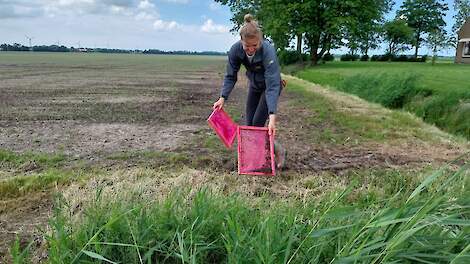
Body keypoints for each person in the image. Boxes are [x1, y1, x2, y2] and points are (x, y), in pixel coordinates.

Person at [212, 13, 286, 169]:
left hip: (270, 86)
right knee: (249, 126)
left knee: (258, 125)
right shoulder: (235, 50)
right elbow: (230, 76)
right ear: (241, 41)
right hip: (255, 85)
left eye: (255, 45)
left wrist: (272, 117)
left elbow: (272, 85)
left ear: (260, 40)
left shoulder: (267, 50)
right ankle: (269, 151)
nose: (251, 49)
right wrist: (222, 97)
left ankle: (262, 157)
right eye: (247, 46)